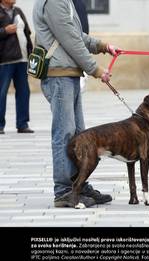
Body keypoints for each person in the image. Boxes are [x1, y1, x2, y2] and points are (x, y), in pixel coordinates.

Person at [33, 0, 117, 207]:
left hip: (68, 73)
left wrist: (102, 46)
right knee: (65, 134)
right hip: (59, 75)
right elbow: (70, 39)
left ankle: (78, 185)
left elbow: (76, 34)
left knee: (79, 135)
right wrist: (95, 69)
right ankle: (63, 191)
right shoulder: (53, 1)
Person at [0, 0, 33, 134]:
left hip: (22, 59)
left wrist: (31, 52)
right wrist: (4, 31)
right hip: (4, 60)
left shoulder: (18, 11)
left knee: (24, 92)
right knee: (1, 93)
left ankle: (22, 124)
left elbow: (27, 33)